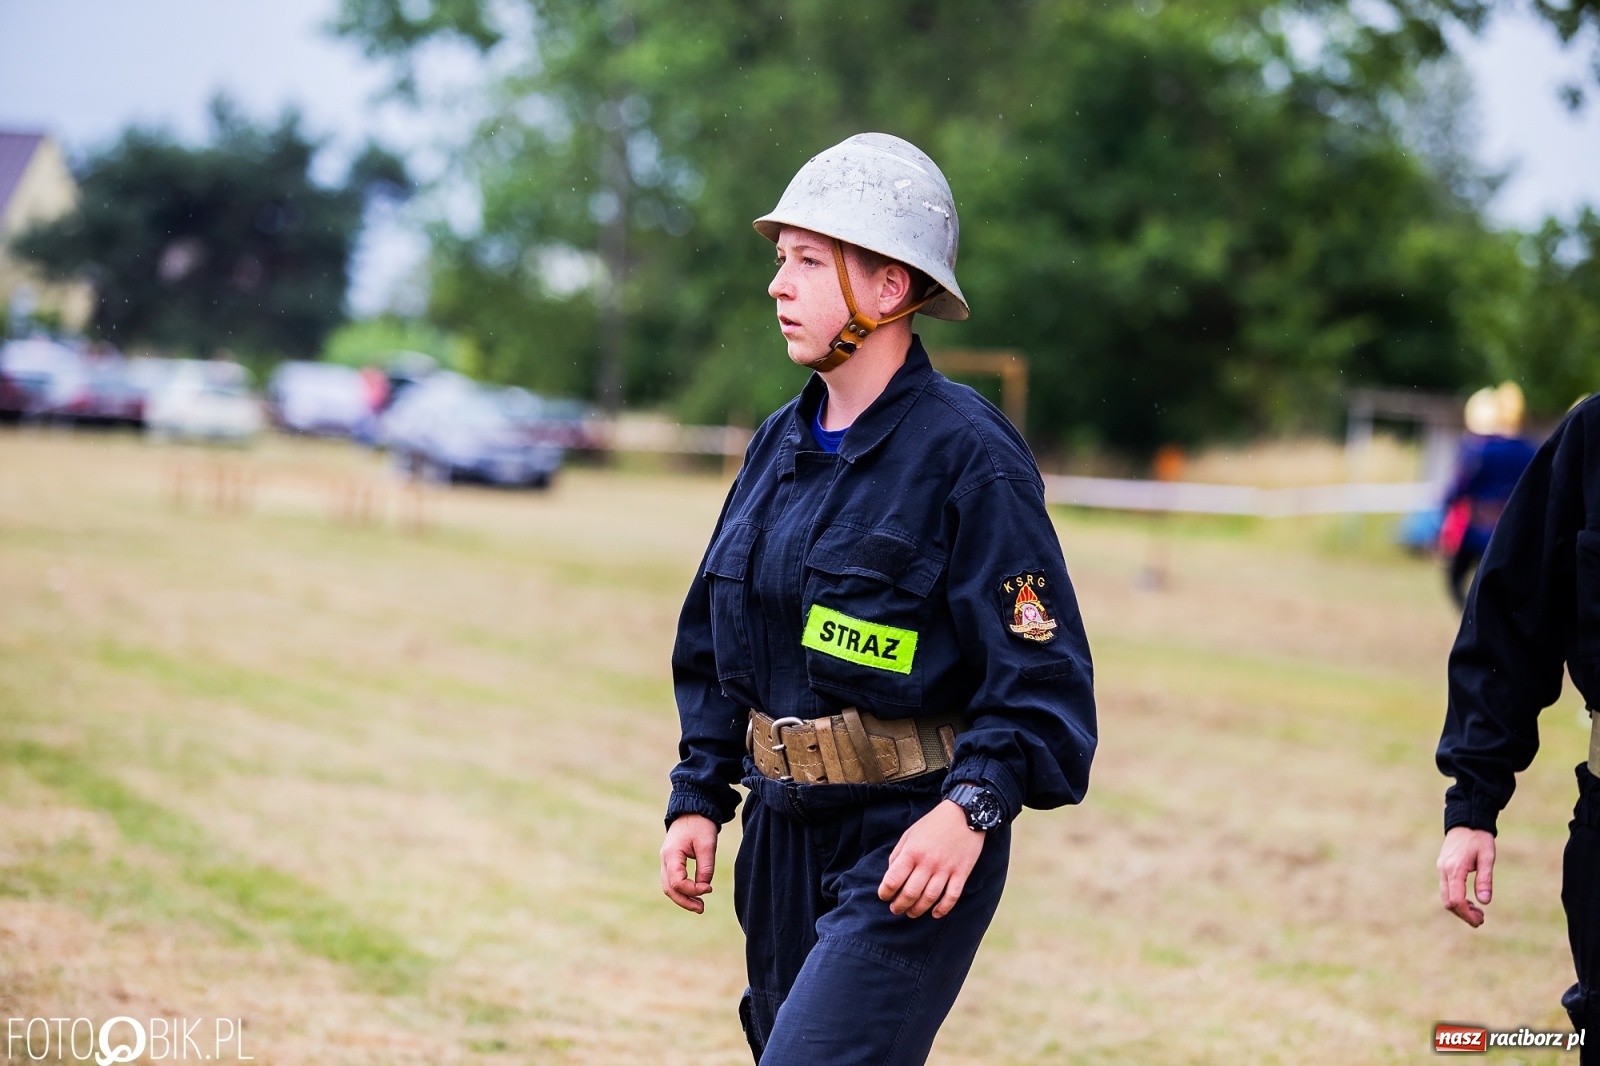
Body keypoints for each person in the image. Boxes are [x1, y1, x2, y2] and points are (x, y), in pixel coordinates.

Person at [658, 133, 1097, 1066]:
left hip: (909, 846)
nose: (778, 285)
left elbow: (1042, 686)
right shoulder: (778, 444)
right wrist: (700, 793)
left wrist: (970, 808)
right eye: (781, 261)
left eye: (808, 262)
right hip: (780, 835)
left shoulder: (970, 457)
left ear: (890, 289)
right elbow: (716, 639)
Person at [1435, 393, 1600, 1060]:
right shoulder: (1592, 436)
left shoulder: (1482, 451)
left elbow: (1461, 488)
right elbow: (1510, 620)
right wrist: (1472, 803)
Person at [1439, 382, 1537, 608]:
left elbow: (1461, 486)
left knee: (1457, 580)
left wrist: (1447, 502)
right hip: (1514, 531)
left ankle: (1472, 621)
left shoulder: (1483, 451)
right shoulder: (1532, 451)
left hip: (1479, 530)